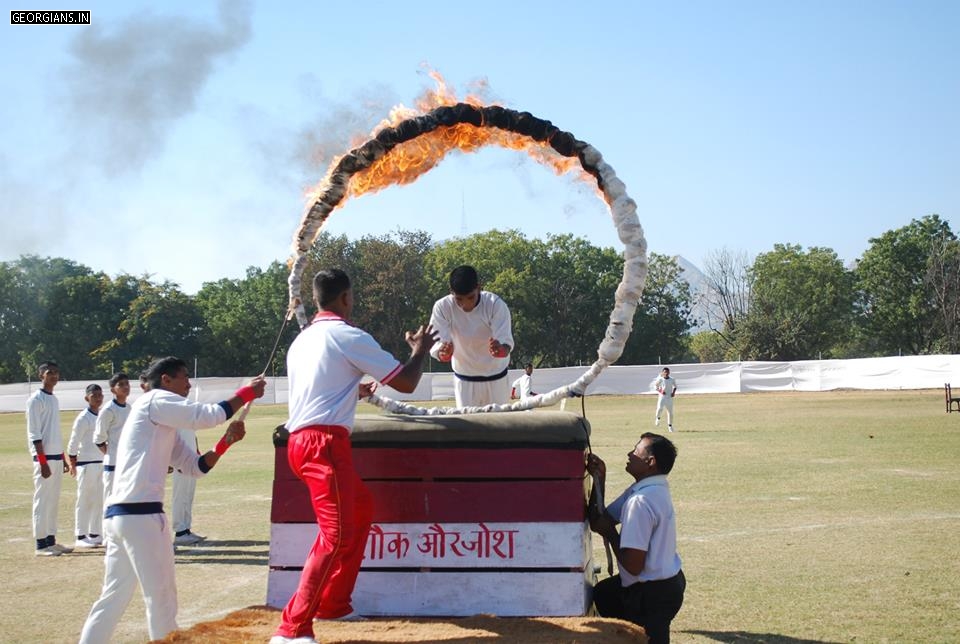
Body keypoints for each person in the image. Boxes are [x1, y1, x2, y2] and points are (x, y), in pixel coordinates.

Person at [272, 268, 437, 644]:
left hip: (304, 443)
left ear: (317, 299)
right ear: (346, 297)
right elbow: (407, 384)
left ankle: (334, 603)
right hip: (325, 445)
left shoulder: (303, 340)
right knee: (336, 534)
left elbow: (320, 390)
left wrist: (353, 391)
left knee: (359, 510)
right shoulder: (348, 335)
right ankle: (292, 628)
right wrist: (420, 350)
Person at [79, 357, 266, 644]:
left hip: (123, 516)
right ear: (165, 380)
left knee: (114, 596)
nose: (189, 384)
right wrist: (246, 393)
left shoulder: (159, 419)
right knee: (162, 598)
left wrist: (225, 443)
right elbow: (209, 415)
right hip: (140, 516)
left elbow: (195, 468)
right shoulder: (157, 400)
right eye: (184, 377)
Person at [586, 432, 686, 644]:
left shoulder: (640, 500)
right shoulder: (651, 488)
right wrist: (599, 479)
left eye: (636, 450)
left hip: (652, 595)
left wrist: (611, 534)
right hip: (667, 585)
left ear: (650, 462)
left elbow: (633, 566)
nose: (630, 454)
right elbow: (599, 521)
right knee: (604, 594)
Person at [429, 265, 514, 407]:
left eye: (470, 297)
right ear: (451, 292)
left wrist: (501, 350)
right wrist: (443, 352)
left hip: (496, 378)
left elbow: (505, 342)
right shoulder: (442, 307)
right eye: (459, 299)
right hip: (464, 380)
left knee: (498, 427)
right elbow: (437, 344)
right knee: (467, 429)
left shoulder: (495, 304)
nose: (465, 305)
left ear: (479, 288)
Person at [26, 360, 72, 556]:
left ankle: (51, 540)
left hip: (55, 457)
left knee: (53, 500)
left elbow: (54, 432)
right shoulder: (35, 400)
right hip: (43, 459)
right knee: (42, 500)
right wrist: (43, 461)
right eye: (49, 372)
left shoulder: (53, 399)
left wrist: (62, 458)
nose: (53, 376)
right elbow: (34, 433)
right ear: (41, 376)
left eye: (56, 372)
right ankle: (40, 544)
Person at [67, 383, 105, 548]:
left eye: (100, 395)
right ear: (86, 398)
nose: (98, 398)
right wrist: (72, 464)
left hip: (100, 463)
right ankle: (80, 534)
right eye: (94, 395)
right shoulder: (83, 418)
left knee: (99, 500)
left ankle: (95, 533)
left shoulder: (102, 415)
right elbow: (73, 443)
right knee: (85, 500)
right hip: (86, 464)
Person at [94, 372, 132, 507]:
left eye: (126, 384)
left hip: (127, 462)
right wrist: (110, 452)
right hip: (113, 463)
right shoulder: (108, 410)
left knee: (125, 500)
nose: (125, 387)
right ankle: (106, 529)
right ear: (112, 390)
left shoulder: (129, 408)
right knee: (110, 501)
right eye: (120, 385)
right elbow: (98, 438)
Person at [171, 427, 205, 546]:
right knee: (180, 494)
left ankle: (186, 529)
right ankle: (180, 531)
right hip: (180, 460)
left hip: (192, 459)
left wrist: (196, 450)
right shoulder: (176, 414)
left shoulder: (188, 413)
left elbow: (192, 435)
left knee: (188, 494)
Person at [653, 367, 677, 432]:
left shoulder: (672, 379)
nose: (666, 373)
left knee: (670, 412)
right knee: (659, 409)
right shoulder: (660, 379)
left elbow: (675, 387)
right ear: (663, 373)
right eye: (665, 372)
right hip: (662, 397)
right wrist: (660, 391)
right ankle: (657, 418)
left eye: (667, 372)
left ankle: (670, 426)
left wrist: (673, 393)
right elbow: (655, 386)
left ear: (669, 372)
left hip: (669, 397)